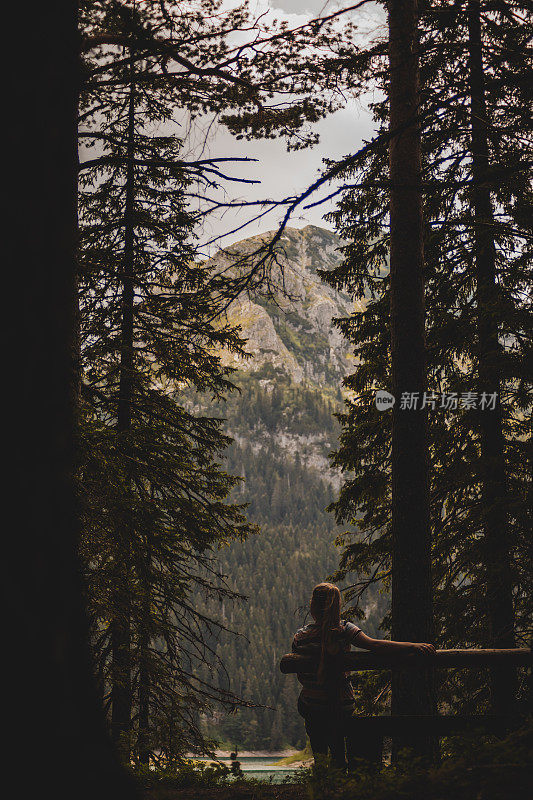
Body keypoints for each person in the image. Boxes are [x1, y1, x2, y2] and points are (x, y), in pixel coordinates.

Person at [292, 582, 435, 771]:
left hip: (312, 705)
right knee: (337, 747)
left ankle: (321, 781)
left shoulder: (301, 636)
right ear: (336, 606)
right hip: (341, 705)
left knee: (318, 747)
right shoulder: (345, 630)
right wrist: (413, 646)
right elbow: (376, 645)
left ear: (312, 606)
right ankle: (340, 773)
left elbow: (299, 673)